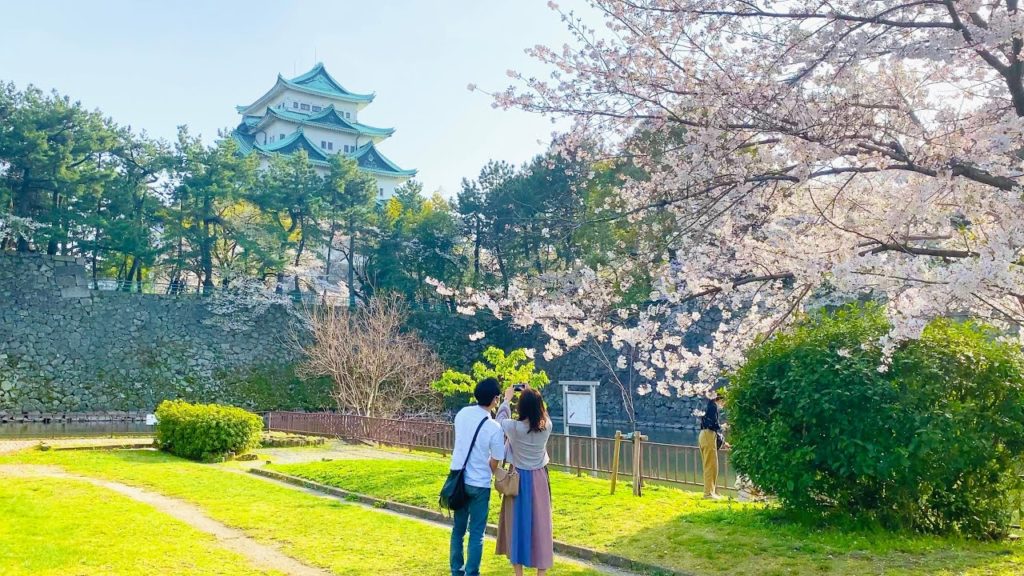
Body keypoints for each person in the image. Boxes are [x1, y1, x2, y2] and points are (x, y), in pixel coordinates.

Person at [495, 385, 554, 576]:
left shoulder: (515, 428)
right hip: (539, 479)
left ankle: (518, 573)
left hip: (518, 478)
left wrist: (507, 399)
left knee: (516, 524)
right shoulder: (547, 427)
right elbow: (543, 414)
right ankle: (541, 573)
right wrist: (532, 393)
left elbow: (499, 420)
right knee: (541, 524)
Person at [450, 377, 506, 576]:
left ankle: (456, 570)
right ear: (494, 399)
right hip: (480, 483)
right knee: (476, 533)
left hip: (459, 480)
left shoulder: (462, 414)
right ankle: (471, 572)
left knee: (458, 530)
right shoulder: (494, 427)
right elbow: (496, 460)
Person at [698, 390, 729, 499]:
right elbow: (713, 425)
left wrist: (723, 442)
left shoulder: (709, 406)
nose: (723, 404)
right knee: (710, 466)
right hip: (708, 435)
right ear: (720, 399)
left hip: (707, 435)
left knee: (712, 465)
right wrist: (723, 427)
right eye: (724, 401)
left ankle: (712, 492)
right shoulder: (712, 407)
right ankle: (708, 493)